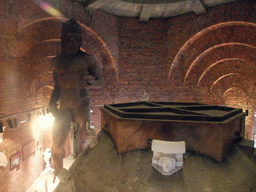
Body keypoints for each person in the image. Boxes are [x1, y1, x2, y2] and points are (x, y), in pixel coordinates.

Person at [49, 18, 104, 170]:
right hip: (65, 106)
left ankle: (82, 173)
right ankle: (60, 175)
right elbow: (57, 86)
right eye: (70, 39)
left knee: (85, 140)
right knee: (57, 143)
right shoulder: (56, 61)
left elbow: (101, 81)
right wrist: (52, 102)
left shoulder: (87, 59)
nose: (74, 43)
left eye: (77, 39)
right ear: (62, 39)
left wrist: (91, 81)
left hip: (81, 103)